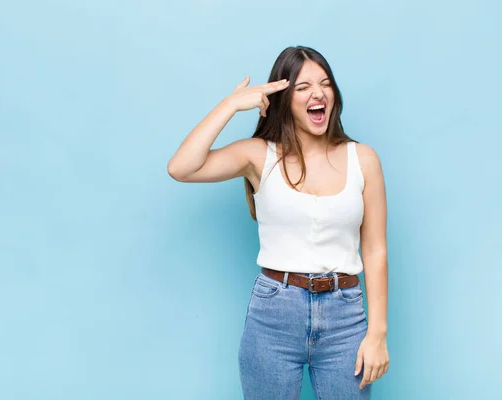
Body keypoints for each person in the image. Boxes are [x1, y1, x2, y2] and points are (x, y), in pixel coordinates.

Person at [167, 46, 389, 399]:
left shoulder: (363, 159)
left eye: (325, 83)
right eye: (303, 87)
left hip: (345, 315)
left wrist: (376, 334)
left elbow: (375, 250)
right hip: (274, 312)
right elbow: (181, 167)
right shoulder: (258, 154)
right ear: (283, 99)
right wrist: (230, 104)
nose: (318, 93)